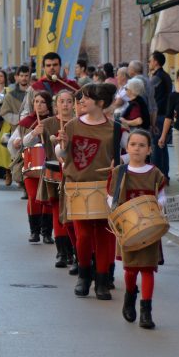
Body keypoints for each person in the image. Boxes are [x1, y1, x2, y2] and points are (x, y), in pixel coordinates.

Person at [56, 83, 119, 299]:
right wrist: (62, 145)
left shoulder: (115, 128)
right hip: (78, 187)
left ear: (100, 103)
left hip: (104, 188)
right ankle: (84, 275)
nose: (81, 101)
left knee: (102, 236)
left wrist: (121, 161)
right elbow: (62, 153)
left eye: (86, 98)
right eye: (80, 98)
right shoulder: (72, 125)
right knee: (83, 236)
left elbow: (129, 153)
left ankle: (102, 281)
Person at [107, 129, 166, 329]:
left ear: (149, 150)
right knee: (131, 270)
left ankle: (146, 312)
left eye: (142, 145)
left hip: (150, 229)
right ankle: (130, 296)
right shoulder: (119, 172)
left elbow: (162, 196)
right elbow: (111, 198)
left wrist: (159, 204)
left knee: (148, 269)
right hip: (128, 229)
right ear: (127, 147)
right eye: (133, 144)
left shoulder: (155, 173)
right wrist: (117, 211)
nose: (137, 149)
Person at [32, 90, 77, 270]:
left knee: (72, 215)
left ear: (74, 104)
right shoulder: (47, 123)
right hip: (53, 173)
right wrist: (34, 133)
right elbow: (26, 144)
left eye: (69, 101)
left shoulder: (79, 123)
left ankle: (73, 251)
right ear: (56, 104)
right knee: (58, 213)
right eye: (62, 101)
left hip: (74, 174)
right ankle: (61, 252)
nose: (65, 104)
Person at [18, 91, 53, 243]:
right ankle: (34, 232)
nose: (39, 105)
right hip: (31, 165)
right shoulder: (27, 121)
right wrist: (34, 133)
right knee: (33, 197)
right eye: (36, 101)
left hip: (49, 164)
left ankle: (47, 233)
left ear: (48, 105)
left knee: (48, 198)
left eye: (42, 102)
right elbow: (20, 142)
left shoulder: (54, 121)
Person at [0, 66, 31, 185]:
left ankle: (25, 181)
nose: (24, 78)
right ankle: (14, 176)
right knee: (15, 156)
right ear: (17, 77)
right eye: (21, 76)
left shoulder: (33, 93)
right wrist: (20, 119)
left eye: (26, 75)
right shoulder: (10, 95)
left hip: (31, 129)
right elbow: (4, 112)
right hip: (15, 129)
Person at [20, 52, 78, 119]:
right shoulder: (35, 87)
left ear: (60, 66)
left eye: (55, 65)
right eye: (48, 65)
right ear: (43, 67)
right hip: (42, 124)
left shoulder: (71, 85)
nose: (52, 68)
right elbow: (27, 111)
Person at [149, 52, 172, 181]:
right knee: (162, 147)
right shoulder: (166, 75)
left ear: (156, 62)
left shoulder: (157, 77)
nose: (149, 63)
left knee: (157, 147)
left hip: (158, 116)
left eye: (150, 60)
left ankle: (157, 178)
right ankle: (165, 176)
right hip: (164, 115)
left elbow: (148, 93)